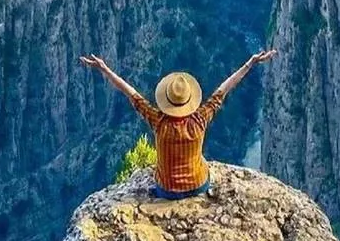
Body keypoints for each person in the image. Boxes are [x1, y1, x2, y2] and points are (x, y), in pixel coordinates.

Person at [79, 51, 277, 200]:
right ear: (189, 101)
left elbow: (132, 94)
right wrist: (250, 64)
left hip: (167, 191)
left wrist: (104, 69)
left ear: (167, 101)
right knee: (202, 161)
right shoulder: (200, 119)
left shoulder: (159, 121)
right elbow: (222, 91)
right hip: (198, 185)